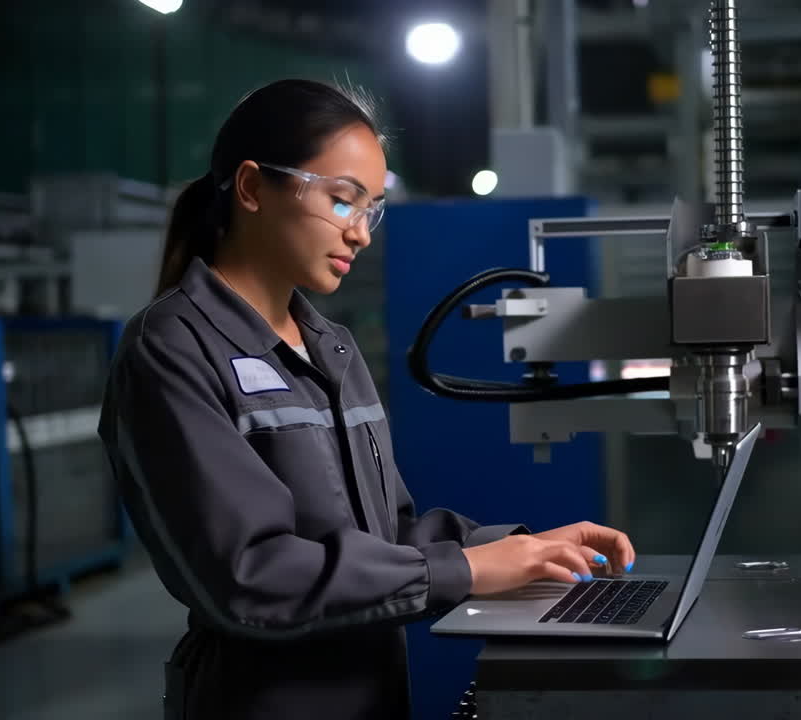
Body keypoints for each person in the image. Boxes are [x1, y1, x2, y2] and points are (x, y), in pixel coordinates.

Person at [97, 78, 637, 720]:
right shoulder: (172, 348)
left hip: (373, 694)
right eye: (343, 201)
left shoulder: (331, 347)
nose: (362, 234)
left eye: (372, 209)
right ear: (251, 188)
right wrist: (466, 572)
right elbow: (249, 577)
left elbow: (387, 535)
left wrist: (525, 551)